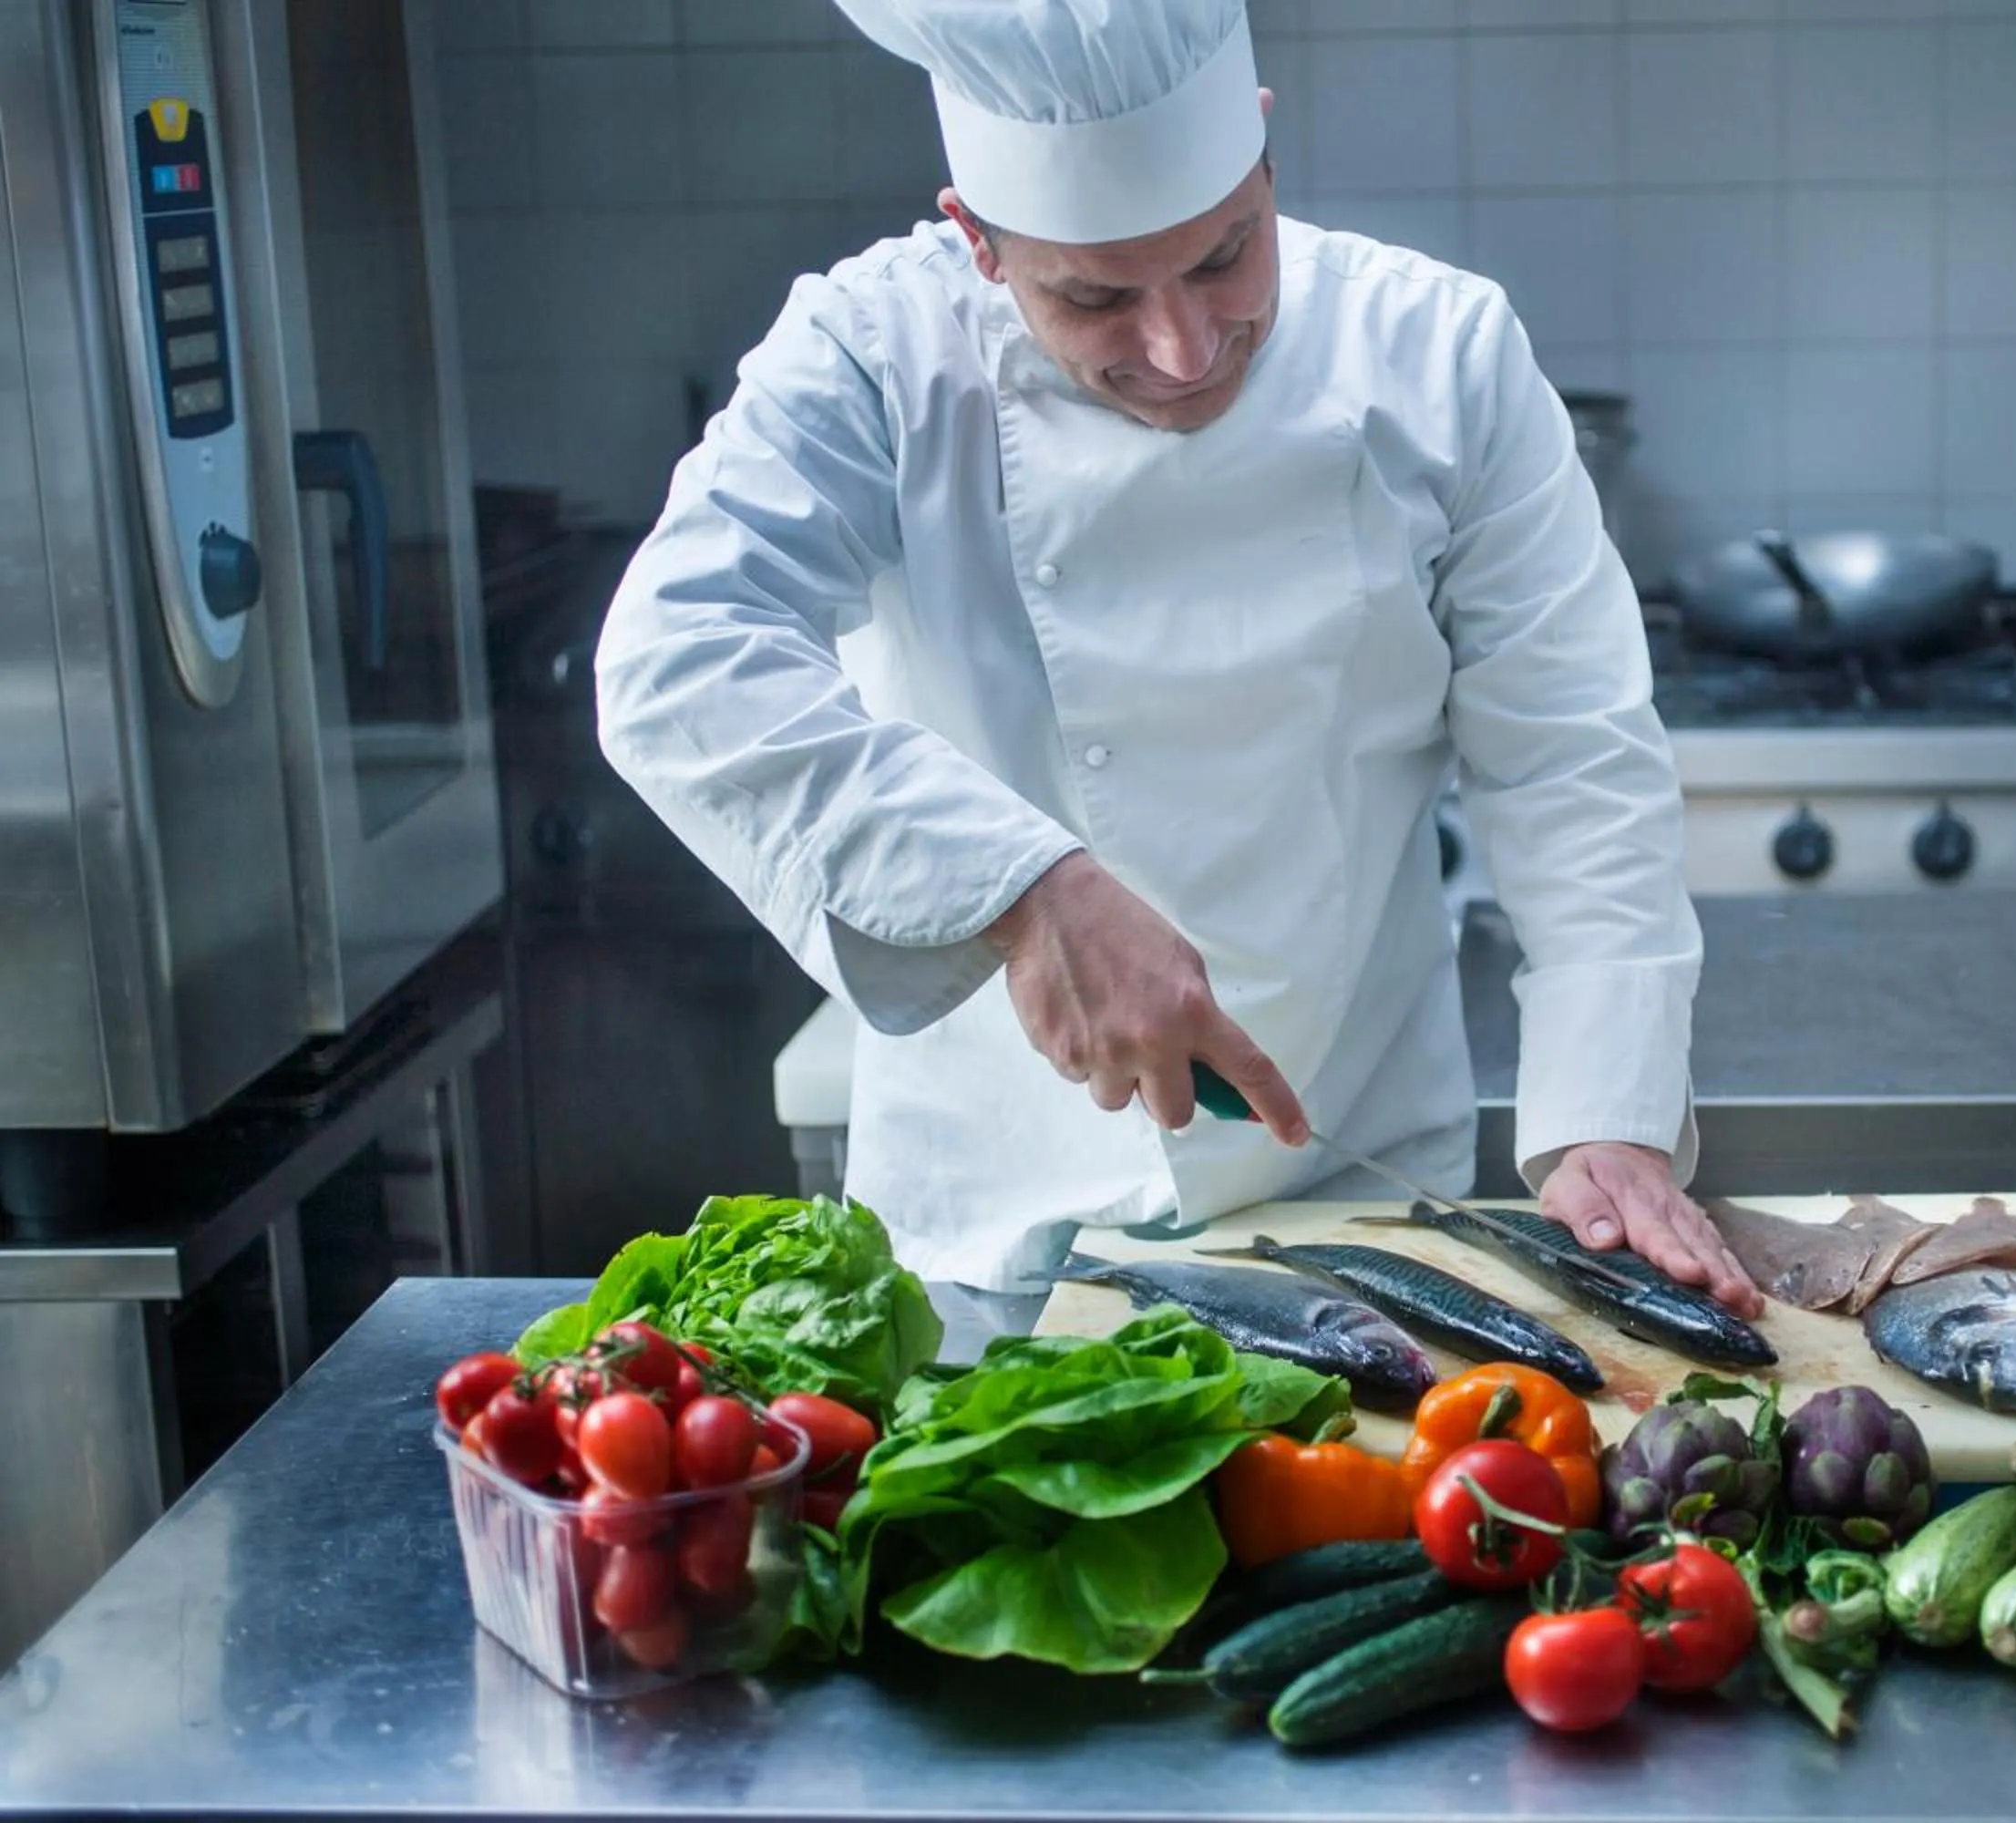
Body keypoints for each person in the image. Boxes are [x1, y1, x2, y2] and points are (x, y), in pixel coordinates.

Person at [592, 0, 1757, 1323]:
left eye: (1224, 256)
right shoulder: (873, 358)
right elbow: (678, 658)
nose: (1183, 349)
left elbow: (1568, 753)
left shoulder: (1440, 354)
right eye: (1095, 296)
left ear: (1263, 153)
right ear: (976, 239)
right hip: (990, 1227)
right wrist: (1023, 889)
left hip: (1356, 1204)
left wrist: (1607, 1117)